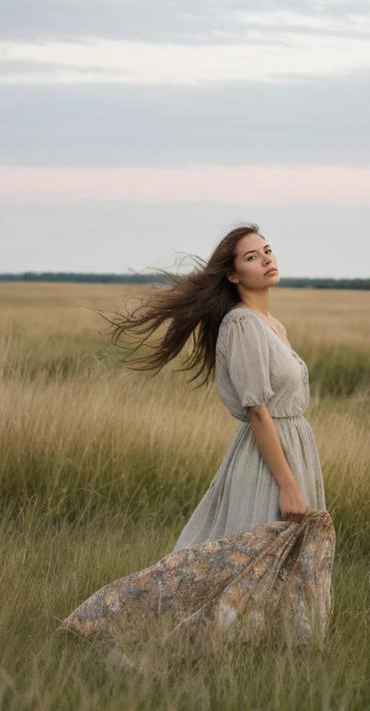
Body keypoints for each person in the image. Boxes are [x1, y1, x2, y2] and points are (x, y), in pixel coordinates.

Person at [61, 224, 333, 653]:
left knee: (279, 562)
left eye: (267, 250)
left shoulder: (271, 323)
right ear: (232, 275)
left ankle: (271, 653)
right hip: (268, 458)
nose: (265, 259)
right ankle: (148, 632)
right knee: (243, 558)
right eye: (250, 257)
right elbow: (257, 410)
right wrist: (287, 484)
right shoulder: (242, 323)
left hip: (294, 446)